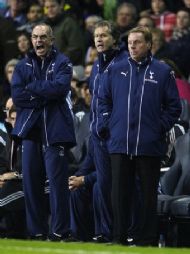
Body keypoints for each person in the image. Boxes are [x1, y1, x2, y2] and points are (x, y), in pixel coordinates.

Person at [98, 26, 182, 246]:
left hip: (149, 144)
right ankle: (118, 238)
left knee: (147, 196)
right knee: (119, 195)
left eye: (137, 42)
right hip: (119, 143)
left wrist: (157, 128)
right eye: (129, 43)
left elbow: (174, 107)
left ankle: (147, 240)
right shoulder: (116, 69)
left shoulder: (162, 72)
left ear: (149, 44)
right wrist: (109, 125)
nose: (132, 46)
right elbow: (103, 99)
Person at [11, 23, 76, 241]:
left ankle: (59, 231)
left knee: (58, 185)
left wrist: (32, 87)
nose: (39, 41)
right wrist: (44, 92)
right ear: (32, 40)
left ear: (51, 40)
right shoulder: (22, 65)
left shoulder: (63, 62)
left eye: (43, 37)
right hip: (30, 131)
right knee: (31, 185)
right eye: (35, 37)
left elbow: (60, 89)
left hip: (55, 130)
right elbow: (18, 96)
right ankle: (37, 232)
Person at [89, 20, 128, 243]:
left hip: (116, 136)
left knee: (119, 186)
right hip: (98, 136)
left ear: (115, 39)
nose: (99, 39)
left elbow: (122, 102)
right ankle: (106, 232)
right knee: (103, 187)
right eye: (97, 36)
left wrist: (110, 126)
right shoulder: (97, 63)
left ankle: (122, 232)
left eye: (104, 35)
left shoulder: (124, 62)